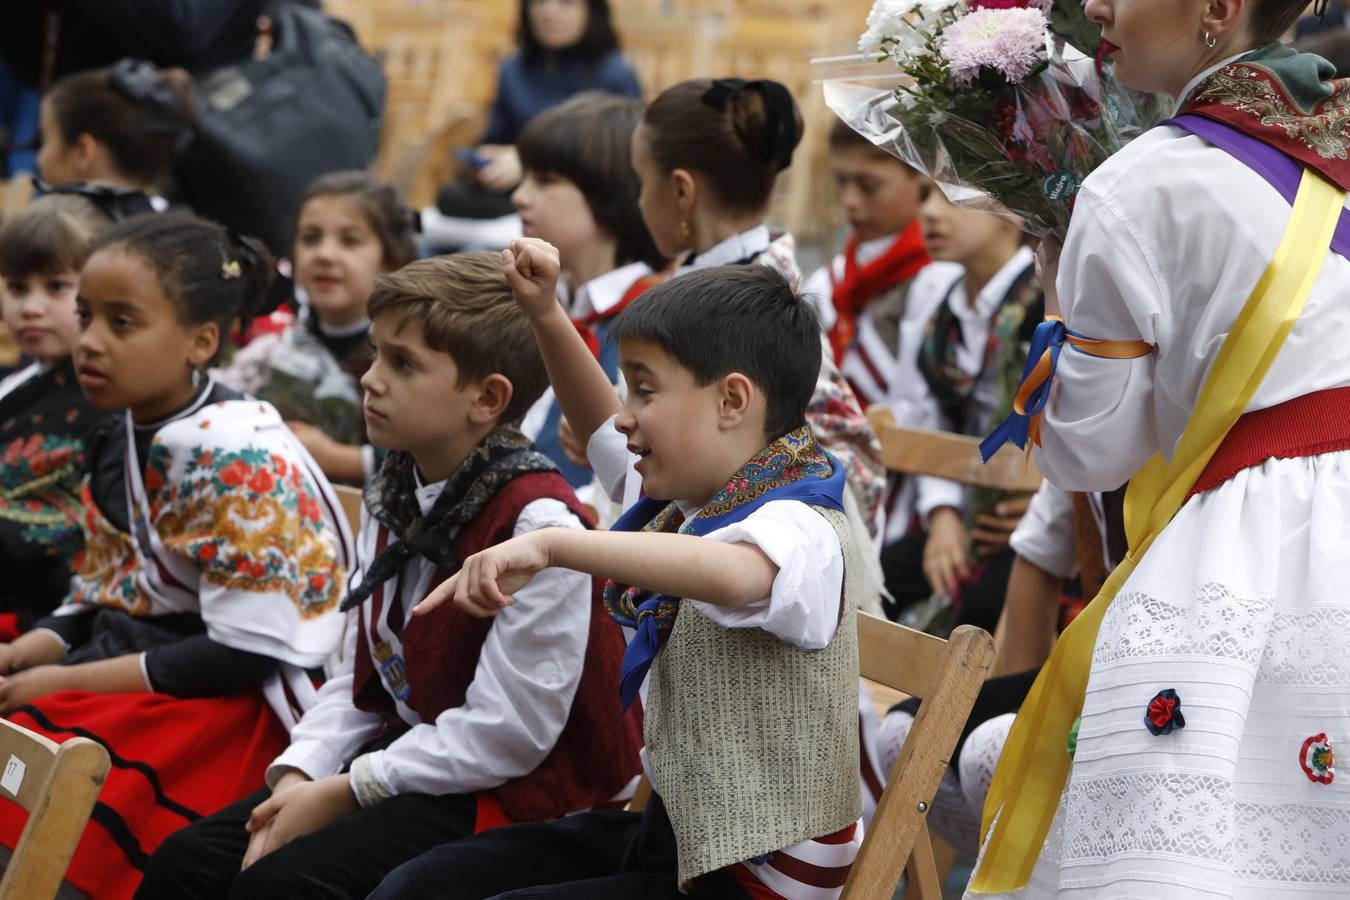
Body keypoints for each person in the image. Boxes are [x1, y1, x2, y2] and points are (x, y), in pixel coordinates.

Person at [966, 0, 1350, 893]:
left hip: (1257, 558)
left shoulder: (1139, 183)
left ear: (1216, 10)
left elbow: (1089, 453)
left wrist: (1058, 288)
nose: (1094, 6)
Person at [136, 251, 643, 900]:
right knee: (189, 863)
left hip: (525, 794)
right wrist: (298, 777)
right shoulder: (399, 485)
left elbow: (507, 736)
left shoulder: (540, 527)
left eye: (402, 364)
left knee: (282, 887)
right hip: (419, 759)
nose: (371, 380)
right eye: (375, 354)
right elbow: (358, 673)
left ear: (488, 398)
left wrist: (346, 790)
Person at [371, 245, 864, 900]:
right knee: (423, 885)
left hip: (757, 874)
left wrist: (556, 545)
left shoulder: (801, 525)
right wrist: (545, 313)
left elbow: (736, 573)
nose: (627, 413)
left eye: (646, 389)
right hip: (678, 836)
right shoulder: (693, 500)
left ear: (732, 401)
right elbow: (601, 422)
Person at [0, 212, 351, 900]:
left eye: (121, 323)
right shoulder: (126, 424)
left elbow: (246, 651)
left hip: (235, 699)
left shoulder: (237, 453)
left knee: (44, 784)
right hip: (142, 656)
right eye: (87, 316)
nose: (89, 343)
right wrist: (33, 650)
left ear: (202, 341)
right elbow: (110, 582)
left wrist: (62, 682)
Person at [880, 184, 1040, 633]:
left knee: (980, 617)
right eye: (923, 195)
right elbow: (926, 419)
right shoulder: (940, 304)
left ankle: (921, 706)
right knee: (872, 584)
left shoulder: (1050, 299)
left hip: (1033, 524)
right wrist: (943, 514)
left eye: (950, 196)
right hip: (966, 516)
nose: (928, 212)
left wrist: (1047, 506)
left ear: (1011, 208)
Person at [217, 170, 419, 485]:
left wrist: (342, 461)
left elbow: (444, 449)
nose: (324, 254)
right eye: (310, 238)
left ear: (391, 260)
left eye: (350, 241)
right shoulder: (270, 354)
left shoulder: (415, 355)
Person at [510, 92, 668, 489]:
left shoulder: (652, 318)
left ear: (607, 192)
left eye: (545, 181)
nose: (519, 196)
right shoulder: (547, 300)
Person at [427, 0, 642, 249]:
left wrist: (529, 163)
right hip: (508, 195)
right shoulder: (513, 70)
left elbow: (617, 158)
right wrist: (484, 161)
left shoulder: (614, 75)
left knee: (476, 250)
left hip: (575, 200)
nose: (549, 12)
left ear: (591, 12)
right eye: (539, 2)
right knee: (427, 232)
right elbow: (496, 136)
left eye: (566, 3)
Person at [0, 194, 115, 628]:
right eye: (17, 287)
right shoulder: (19, 377)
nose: (31, 306)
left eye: (56, 287)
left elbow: (65, 526)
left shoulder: (102, 400)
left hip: (51, 613)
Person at [802, 118, 930, 402]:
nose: (849, 200)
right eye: (841, 182)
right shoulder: (828, 282)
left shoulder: (940, 280)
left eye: (869, 186)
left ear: (921, 180)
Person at [36, 59, 195, 203]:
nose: (38, 158)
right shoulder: (165, 228)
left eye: (44, 140)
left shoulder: (55, 232)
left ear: (83, 152)